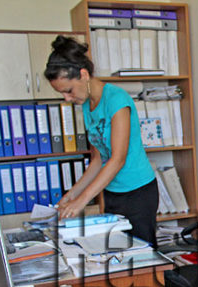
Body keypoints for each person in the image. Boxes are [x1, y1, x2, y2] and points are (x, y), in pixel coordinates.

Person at [44, 36, 159, 245]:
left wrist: (82, 200)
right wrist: (71, 195)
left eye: (68, 91)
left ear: (83, 74)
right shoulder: (87, 105)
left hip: (138, 193)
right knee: (116, 253)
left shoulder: (116, 100)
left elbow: (117, 159)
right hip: (112, 193)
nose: (67, 99)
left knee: (142, 256)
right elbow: (98, 160)